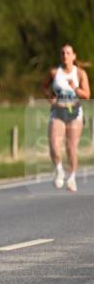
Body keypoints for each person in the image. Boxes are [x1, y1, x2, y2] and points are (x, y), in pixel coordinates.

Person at [43, 43, 90, 192]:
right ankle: (59, 170)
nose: (65, 56)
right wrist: (50, 97)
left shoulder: (80, 73)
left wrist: (74, 87)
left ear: (74, 56)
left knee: (71, 147)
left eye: (68, 53)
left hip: (75, 111)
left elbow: (87, 95)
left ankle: (72, 177)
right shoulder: (54, 72)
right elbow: (44, 87)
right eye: (63, 53)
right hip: (58, 110)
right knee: (54, 144)